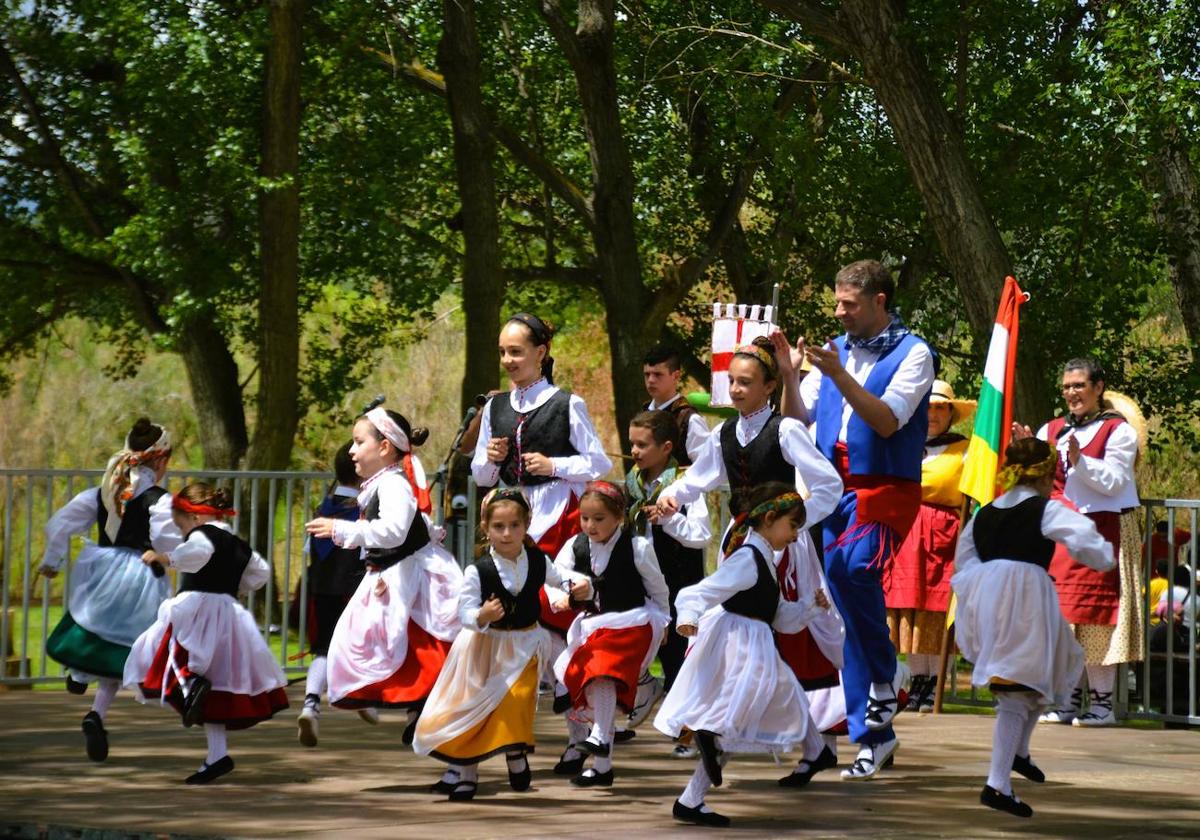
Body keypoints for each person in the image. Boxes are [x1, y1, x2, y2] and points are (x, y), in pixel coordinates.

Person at [772, 258, 936, 780]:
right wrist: (789, 376)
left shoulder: (915, 352)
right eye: (837, 301)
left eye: (849, 303)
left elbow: (888, 421)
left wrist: (837, 373)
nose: (839, 312)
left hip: (883, 489)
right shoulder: (834, 350)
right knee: (840, 612)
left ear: (879, 301)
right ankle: (873, 735)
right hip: (827, 490)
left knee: (850, 570)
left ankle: (887, 676)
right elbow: (798, 418)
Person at [655, 483, 834, 827]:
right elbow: (701, 591)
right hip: (740, 644)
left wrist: (810, 606)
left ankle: (691, 798)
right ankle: (813, 751)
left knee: (752, 714)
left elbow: (780, 615)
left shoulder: (764, 557)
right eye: (793, 526)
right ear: (770, 519)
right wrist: (689, 618)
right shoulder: (747, 559)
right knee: (774, 702)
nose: (796, 536)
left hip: (755, 640)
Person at [951, 438, 1114, 817]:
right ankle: (997, 784)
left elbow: (965, 559)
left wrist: (987, 585)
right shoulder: (1044, 509)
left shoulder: (985, 513)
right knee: (1016, 689)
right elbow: (1086, 540)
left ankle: (1019, 753)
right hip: (1024, 603)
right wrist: (1103, 559)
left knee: (1055, 667)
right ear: (1045, 474)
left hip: (994, 600)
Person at [470, 313, 612, 727]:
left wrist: (554, 464)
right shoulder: (496, 406)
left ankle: (581, 712)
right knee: (515, 616)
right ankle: (559, 702)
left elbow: (597, 462)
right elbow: (481, 474)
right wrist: (491, 459)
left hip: (555, 516)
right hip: (511, 518)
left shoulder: (567, 403)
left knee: (556, 612)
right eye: (503, 352)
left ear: (540, 352)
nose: (509, 360)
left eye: (516, 351)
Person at [413, 489, 592, 801]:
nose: (507, 533)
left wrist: (575, 583)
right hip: (485, 647)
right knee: (476, 711)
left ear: (526, 526)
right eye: (499, 527)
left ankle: (515, 751)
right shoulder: (477, 571)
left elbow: (560, 576)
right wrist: (481, 614)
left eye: (514, 526)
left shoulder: (537, 561)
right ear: (486, 527)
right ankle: (468, 774)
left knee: (517, 700)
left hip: (525, 645)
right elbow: (465, 611)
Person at [306, 405, 463, 740]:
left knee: (422, 646)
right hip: (391, 575)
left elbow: (393, 531)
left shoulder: (393, 485)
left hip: (411, 577)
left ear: (384, 447)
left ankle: (422, 709)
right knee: (376, 641)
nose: (351, 451)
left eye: (358, 442)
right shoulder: (382, 484)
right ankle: (415, 709)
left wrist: (341, 529)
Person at [124, 483, 289, 784]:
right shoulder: (238, 543)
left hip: (198, 609)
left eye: (181, 524)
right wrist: (232, 586)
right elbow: (260, 572)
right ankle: (217, 755)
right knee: (217, 687)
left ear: (195, 517)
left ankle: (190, 686)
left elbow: (196, 552)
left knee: (163, 653)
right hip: (228, 613)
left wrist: (164, 557)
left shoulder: (201, 536)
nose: (182, 530)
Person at [39, 417, 179, 763]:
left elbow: (61, 522)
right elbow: (169, 541)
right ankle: (95, 710)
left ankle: (80, 677)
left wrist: (52, 560)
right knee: (119, 653)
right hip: (141, 577)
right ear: (160, 460)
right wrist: (176, 559)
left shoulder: (101, 493)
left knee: (93, 631)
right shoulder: (160, 501)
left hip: (101, 570)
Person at [1012, 359, 1139, 727]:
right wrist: (1025, 452)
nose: (1071, 393)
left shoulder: (1118, 431)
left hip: (1103, 529)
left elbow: (1114, 481)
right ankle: (1066, 700)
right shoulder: (1051, 429)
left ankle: (1102, 704)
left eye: (1079, 385)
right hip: (1061, 535)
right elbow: (1034, 481)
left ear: (1098, 387)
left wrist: (1082, 462)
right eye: (1067, 386)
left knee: (1098, 618)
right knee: (1064, 619)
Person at [551, 480, 670, 788]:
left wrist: (665, 623)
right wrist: (564, 595)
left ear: (619, 517)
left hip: (633, 622)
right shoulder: (575, 546)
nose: (590, 525)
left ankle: (602, 735)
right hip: (595, 626)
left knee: (602, 670)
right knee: (597, 680)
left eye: (599, 519)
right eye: (585, 518)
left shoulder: (637, 547)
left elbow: (658, 588)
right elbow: (555, 579)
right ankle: (602, 765)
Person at [884, 379, 974, 712]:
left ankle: (935, 681)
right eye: (928, 408)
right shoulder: (904, 443)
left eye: (940, 408)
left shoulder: (965, 449)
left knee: (934, 608)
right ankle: (917, 680)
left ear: (950, 412)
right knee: (908, 608)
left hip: (942, 535)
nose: (933, 415)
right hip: (904, 533)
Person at [625, 409, 711, 742]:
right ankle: (639, 695)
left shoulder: (686, 485)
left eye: (642, 445)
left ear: (666, 448)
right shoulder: (633, 481)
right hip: (643, 578)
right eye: (632, 444)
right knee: (638, 639)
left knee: (677, 651)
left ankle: (688, 729)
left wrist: (668, 521)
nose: (634, 451)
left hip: (677, 577)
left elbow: (701, 534)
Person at [296, 441, 363, 748]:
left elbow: (310, 550)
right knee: (366, 645)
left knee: (323, 648)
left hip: (321, 586)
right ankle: (366, 697)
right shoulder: (367, 509)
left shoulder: (324, 507)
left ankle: (311, 702)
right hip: (353, 588)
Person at [642, 344, 710, 465]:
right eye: (647, 374)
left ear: (676, 376)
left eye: (658, 374)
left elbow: (704, 471)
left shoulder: (690, 420)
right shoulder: (643, 415)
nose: (651, 380)